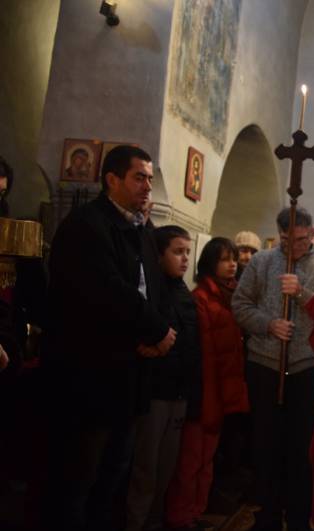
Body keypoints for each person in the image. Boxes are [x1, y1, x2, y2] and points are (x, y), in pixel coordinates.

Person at [43, 144, 176, 530]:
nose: (147, 186)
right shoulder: (86, 225)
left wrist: (157, 333)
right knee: (78, 478)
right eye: (139, 177)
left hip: (127, 377)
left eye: (150, 178)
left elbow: (155, 288)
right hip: (89, 375)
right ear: (112, 179)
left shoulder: (140, 229)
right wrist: (156, 330)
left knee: (113, 476)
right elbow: (108, 290)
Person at [232, 207, 314, 531]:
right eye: (286, 240)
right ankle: (266, 516)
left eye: (301, 240)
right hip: (264, 365)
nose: (293, 247)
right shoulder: (261, 262)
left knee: (300, 450)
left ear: (313, 233)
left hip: (306, 368)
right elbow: (240, 304)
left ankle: (297, 519)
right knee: (265, 446)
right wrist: (268, 324)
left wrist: (302, 294)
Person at [166, 237, 249, 530]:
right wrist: (208, 397)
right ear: (210, 263)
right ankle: (180, 516)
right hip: (203, 392)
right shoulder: (201, 298)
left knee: (206, 459)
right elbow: (204, 356)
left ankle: (196, 512)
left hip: (220, 392)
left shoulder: (230, 297)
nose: (232, 265)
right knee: (191, 460)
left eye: (233, 259)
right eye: (225, 259)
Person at [126, 225, 202, 531]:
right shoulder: (150, 291)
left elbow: (190, 343)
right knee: (145, 467)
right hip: (155, 390)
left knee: (166, 466)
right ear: (158, 255)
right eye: (177, 252)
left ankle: (154, 522)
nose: (185, 259)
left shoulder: (183, 292)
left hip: (179, 391)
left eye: (187, 252)